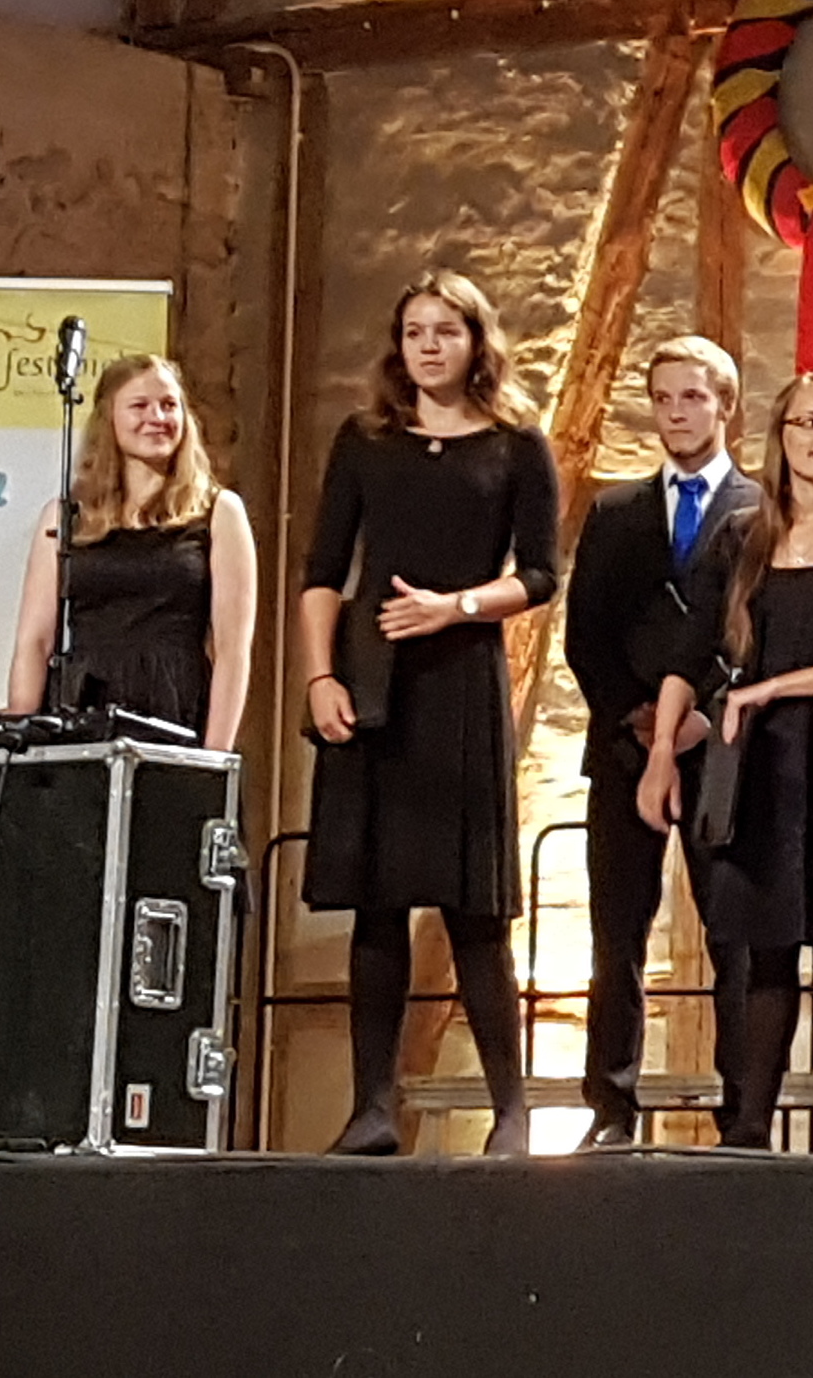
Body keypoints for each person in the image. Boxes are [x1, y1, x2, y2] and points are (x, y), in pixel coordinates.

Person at [297, 271, 562, 1158]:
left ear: (476, 341)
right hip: (374, 681)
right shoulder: (366, 440)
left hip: (461, 680)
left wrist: (457, 607)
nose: (429, 346)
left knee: (474, 909)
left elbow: (541, 573)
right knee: (376, 902)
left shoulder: (517, 444)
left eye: (446, 330)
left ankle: (511, 1110)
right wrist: (319, 678)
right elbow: (323, 571)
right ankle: (372, 1108)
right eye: (415, 331)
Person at [640, 371, 813, 1152]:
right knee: (767, 949)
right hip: (764, 766)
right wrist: (661, 752)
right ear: (781, 435)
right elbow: (690, 651)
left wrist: (770, 688)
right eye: (812, 423)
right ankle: (751, 1124)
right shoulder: (742, 536)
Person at [562, 336, 761, 1149]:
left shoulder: (761, 509)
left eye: (693, 397)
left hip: (724, 751)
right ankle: (611, 1106)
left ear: (726, 407)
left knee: (735, 936)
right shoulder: (615, 513)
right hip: (625, 747)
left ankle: (744, 1110)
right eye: (664, 398)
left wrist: (697, 718)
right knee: (615, 935)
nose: (677, 413)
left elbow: (759, 631)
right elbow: (585, 637)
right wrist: (643, 721)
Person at [6, 353, 257, 748]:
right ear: (108, 418)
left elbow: (232, 649)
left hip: (175, 706)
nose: (157, 417)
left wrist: (215, 756)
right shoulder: (66, 516)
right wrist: (20, 732)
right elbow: (35, 641)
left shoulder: (218, 512)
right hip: (82, 707)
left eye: (169, 405)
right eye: (140, 406)